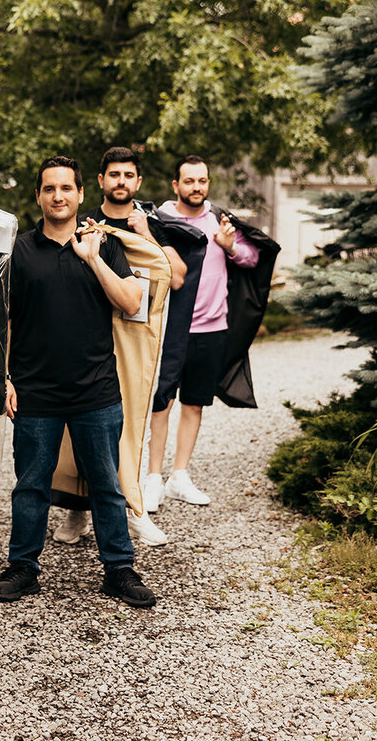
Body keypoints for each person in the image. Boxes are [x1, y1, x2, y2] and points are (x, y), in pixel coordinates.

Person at [0, 155, 156, 609]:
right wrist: (4, 380)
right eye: (49, 189)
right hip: (35, 392)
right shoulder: (18, 251)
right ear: (38, 196)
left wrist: (94, 259)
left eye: (66, 188)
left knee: (106, 484)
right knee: (30, 484)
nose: (58, 196)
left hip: (96, 390)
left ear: (81, 194)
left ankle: (119, 569)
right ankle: (23, 566)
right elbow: (1, 320)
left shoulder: (104, 243)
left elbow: (128, 300)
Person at [53, 147, 184, 548]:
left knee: (130, 421)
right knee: (79, 424)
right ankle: (78, 511)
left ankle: (134, 507)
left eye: (128, 175)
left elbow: (175, 276)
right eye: (114, 174)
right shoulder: (85, 221)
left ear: (138, 182)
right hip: (89, 334)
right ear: (100, 181)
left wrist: (144, 235)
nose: (121, 181)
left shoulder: (151, 224)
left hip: (133, 340)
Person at [146, 155, 258, 507]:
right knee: (161, 403)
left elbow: (253, 258)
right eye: (189, 181)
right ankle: (152, 478)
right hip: (169, 328)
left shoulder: (220, 221)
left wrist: (230, 246)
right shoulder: (159, 221)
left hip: (212, 328)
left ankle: (179, 476)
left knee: (195, 404)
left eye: (202, 181)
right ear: (176, 185)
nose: (197, 187)